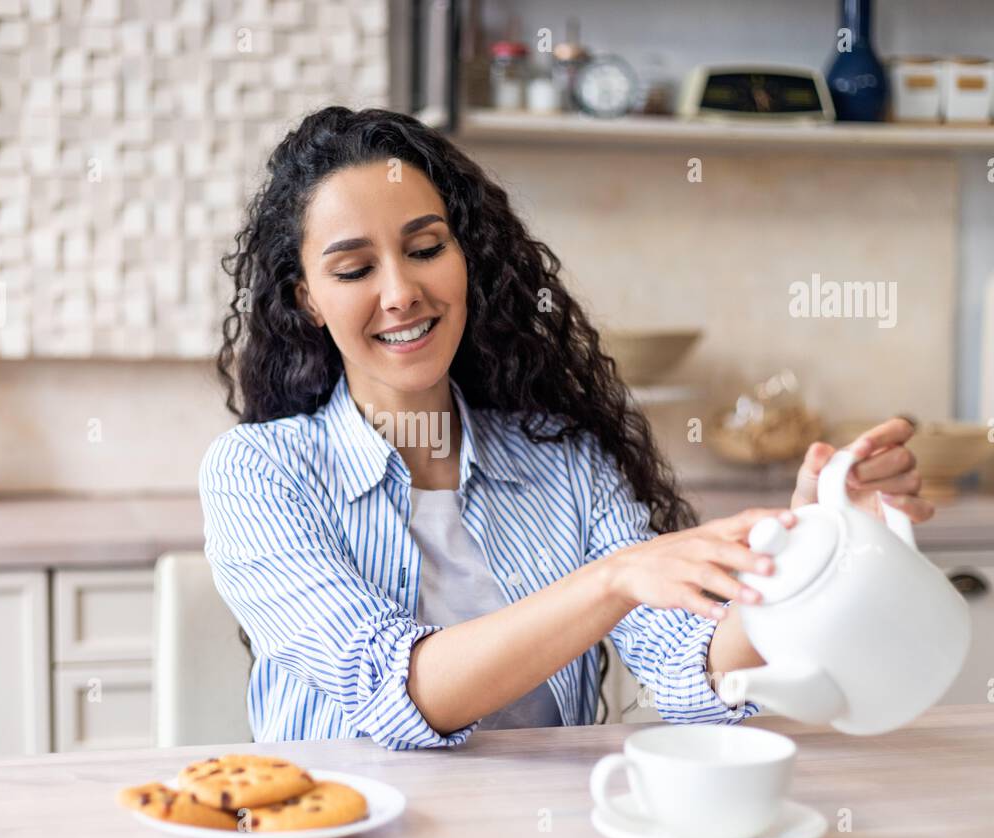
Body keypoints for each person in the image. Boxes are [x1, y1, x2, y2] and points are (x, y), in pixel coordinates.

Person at [199, 106, 931, 751]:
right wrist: (610, 581)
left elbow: (691, 668)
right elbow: (396, 692)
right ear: (309, 300)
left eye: (426, 250)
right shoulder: (259, 473)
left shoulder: (563, 460)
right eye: (355, 269)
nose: (401, 293)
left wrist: (804, 553)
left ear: (465, 260)